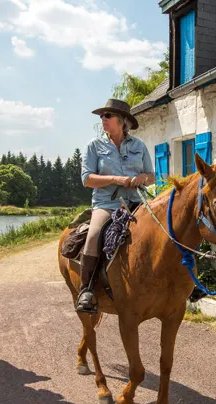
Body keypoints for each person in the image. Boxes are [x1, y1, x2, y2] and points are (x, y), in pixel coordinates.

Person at [76, 99, 155, 314]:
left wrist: (141, 178)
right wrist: (116, 179)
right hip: (107, 204)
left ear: (122, 121)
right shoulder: (94, 146)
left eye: (107, 116)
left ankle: (179, 280)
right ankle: (87, 289)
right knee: (93, 235)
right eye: (102, 116)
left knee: (165, 226)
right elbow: (87, 179)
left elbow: (152, 176)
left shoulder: (139, 145)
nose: (103, 119)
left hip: (137, 201)